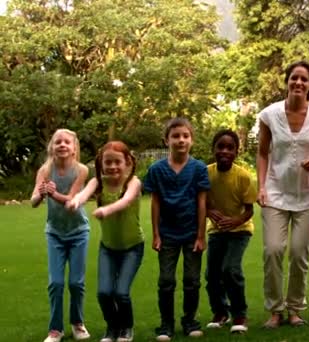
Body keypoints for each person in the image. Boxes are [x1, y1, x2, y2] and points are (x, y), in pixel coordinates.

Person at [256, 60, 309, 328]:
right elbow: (262, 152)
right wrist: (261, 186)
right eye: (294, 78)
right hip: (276, 191)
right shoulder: (269, 114)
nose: (298, 83)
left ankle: (295, 309)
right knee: (273, 250)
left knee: (300, 253)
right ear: (287, 81)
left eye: (304, 79)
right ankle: (275, 310)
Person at [67, 141, 143, 342]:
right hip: (108, 248)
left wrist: (106, 210)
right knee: (103, 293)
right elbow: (83, 194)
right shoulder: (97, 182)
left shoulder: (133, 182)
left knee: (121, 293)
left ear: (127, 162)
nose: (112, 166)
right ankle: (112, 328)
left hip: (132, 248)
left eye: (117, 162)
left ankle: (126, 328)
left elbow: (126, 201)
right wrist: (76, 201)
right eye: (107, 162)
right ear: (101, 163)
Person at [143, 118, 210, 341]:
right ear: (166, 140)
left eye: (185, 136)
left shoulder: (199, 168)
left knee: (192, 280)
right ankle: (166, 325)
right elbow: (155, 203)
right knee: (166, 281)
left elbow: (202, 203)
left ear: (191, 140)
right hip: (167, 234)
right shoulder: (156, 169)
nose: (181, 140)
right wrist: (156, 234)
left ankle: (190, 321)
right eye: (175, 136)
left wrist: (201, 235)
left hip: (192, 233)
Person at [31, 129, 91, 342]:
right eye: (58, 142)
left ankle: (77, 323)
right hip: (55, 233)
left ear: (74, 148)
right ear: (52, 147)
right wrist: (42, 192)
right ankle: (55, 330)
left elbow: (71, 202)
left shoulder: (81, 170)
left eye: (67, 142)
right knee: (56, 283)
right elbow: (34, 201)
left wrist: (53, 193)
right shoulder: (45, 170)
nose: (62, 145)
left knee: (76, 283)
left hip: (78, 232)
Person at [204, 129, 257, 334]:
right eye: (220, 147)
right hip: (216, 231)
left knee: (231, 269)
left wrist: (234, 221)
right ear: (213, 149)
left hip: (240, 230)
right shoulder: (206, 173)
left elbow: (249, 210)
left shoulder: (243, 176)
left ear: (236, 151)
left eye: (230, 148)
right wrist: (210, 212)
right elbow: (201, 201)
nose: (224, 151)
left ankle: (239, 315)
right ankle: (220, 312)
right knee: (212, 274)